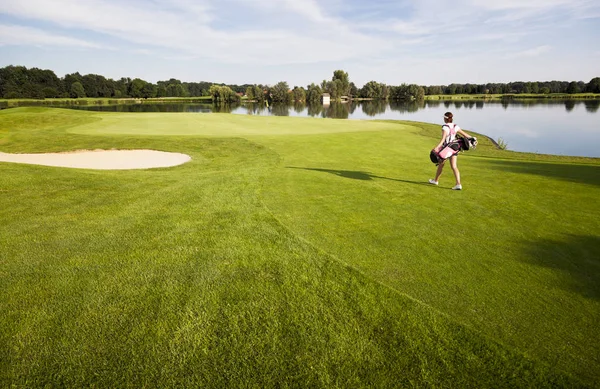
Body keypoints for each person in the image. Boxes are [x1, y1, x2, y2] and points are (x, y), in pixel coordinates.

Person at [428, 112, 473, 190]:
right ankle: (458, 184)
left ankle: (435, 181)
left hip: (445, 150)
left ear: (445, 118)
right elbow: (466, 135)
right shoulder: (456, 126)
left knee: (441, 165)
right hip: (454, 149)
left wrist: (437, 147)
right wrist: (473, 138)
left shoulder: (445, 127)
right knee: (454, 166)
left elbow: (443, 140)